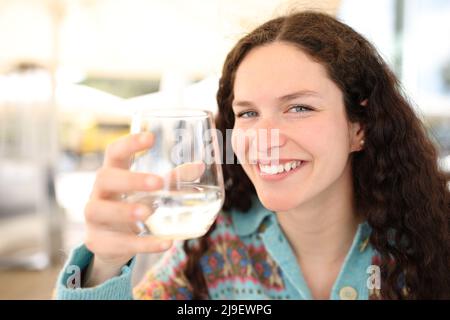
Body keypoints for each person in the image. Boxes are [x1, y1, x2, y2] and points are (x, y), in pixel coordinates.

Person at [55, 11, 450, 300]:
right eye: (247, 113)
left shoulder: (433, 238)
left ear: (359, 126)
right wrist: (103, 266)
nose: (264, 138)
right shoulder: (214, 246)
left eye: (299, 108)